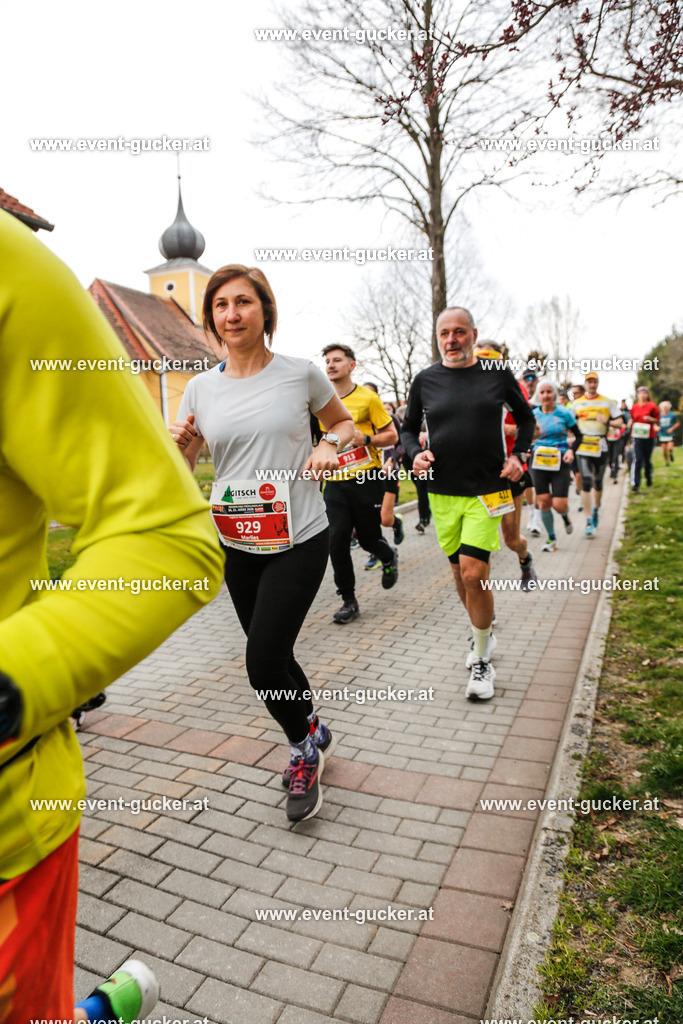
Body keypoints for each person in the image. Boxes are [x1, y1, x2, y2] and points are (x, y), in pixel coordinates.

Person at [0, 209, 224, 1023]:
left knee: (268, 662)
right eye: (203, 296)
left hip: (6, 829)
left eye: (205, 292)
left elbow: (160, 525)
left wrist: (13, 681)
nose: (212, 307)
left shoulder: (9, 268)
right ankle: (107, 1006)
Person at [170, 265, 354, 822]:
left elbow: (344, 425)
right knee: (273, 654)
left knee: (261, 661)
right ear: (212, 318)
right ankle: (314, 727)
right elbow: (187, 467)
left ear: (265, 311)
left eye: (244, 302)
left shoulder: (300, 374)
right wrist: (180, 445)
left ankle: (303, 751)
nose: (232, 314)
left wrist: (329, 447)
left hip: (299, 534)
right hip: (237, 540)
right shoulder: (200, 389)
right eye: (221, 305)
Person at [402, 307, 535, 701]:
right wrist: (414, 454)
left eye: (460, 332)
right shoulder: (425, 380)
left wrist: (519, 456)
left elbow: (525, 420)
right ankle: (483, 633)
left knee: (475, 574)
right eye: (445, 333)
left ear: (473, 334)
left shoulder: (496, 374)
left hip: (487, 490)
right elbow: (408, 429)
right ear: (437, 336)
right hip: (442, 493)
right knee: (461, 579)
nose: (452, 339)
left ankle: (481, 659)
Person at [321, 346, 399, 623]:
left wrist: (366, 440)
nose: (331, 365)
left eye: (337, 360)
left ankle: (388, 556)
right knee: (336, 539)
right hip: (335, 482)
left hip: (366, 478)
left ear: (352, 365)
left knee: (367, 538)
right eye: (327, 361)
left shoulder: (369, 398)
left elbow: (391, 436)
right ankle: (348, 600)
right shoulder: (320, 400)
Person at [475, 343, 537, 591]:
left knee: (510, 540)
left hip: (507, 471)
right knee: (481, 543)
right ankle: (485, 606)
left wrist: (504, 430)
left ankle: (525, 558)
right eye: (478, 357)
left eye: (488, 358)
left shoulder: (513, 387)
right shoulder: (466, 388)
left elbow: (532, 427)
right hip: (478, 474)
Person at [529, 379, 582, 550]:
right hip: (539, 462)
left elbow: (579, 436)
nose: (545, 396)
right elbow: (525, 436)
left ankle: (565, 516)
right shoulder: (533, 414)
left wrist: (571, 450)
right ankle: (552, 538)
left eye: (549, 392)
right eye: (542, 392)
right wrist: (527, 448)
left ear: (554, 394)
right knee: (543, 502)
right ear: (539, 394)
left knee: (559, 505)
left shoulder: (564, 413)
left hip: (560, 461)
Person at [571, 372, 623, 535]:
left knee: (598, 483)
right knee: (586, 482)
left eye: (594, 382)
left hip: (601, 445)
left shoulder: (607, 402)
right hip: (583, 446)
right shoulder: (577, 404)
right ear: (585, 384)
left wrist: (607, 422)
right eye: (589, 382)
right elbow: (570, 424)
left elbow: (621, 423)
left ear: (598, 384)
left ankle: (595, 508)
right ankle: (588, 520)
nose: (592, 385)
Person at [361, 388, 405, 568]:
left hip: (389, 472)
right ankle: (377, 553)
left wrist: (392, 460)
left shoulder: (390, 419)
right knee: (369, 518)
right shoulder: (357, 420)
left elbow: (402, 444)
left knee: (385, 519)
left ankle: (397, 522)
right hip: (368, 475)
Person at [520, 368, 542, 535]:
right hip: (522, 447)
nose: (529, 381)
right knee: (527, 482)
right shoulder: (518, 396)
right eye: (526, 378)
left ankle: (537, 515)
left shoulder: (543, 398)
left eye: (532, 378)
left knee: (538, 483)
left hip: (541, 447)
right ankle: (532, 513)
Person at [629, 386, 660, 491]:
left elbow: (658, 420)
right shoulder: (634, 407)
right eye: (640, 393)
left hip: (649, 436)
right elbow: (632, 419)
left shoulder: (652, 406)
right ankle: (635, 484)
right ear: (637, 395)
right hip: (637, 436)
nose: (642, 395)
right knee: (637, 459)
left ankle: (648, 477)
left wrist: (651, 419)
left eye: (644, 393)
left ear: (647, 395)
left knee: (647, 460)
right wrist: (630, 423)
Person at [657, 400, 679, 465]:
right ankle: (667, 462)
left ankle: (671, 454)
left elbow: (677, 423)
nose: (665, 408)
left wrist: (671, 429)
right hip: (662, 434)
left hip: (670, 434)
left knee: (669, 448)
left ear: (668, 407)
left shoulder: (672, 414)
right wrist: (656, 427)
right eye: (663, 407)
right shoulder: (659, 415)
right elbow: (655, 423)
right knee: (664, 451)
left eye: (666, 407)